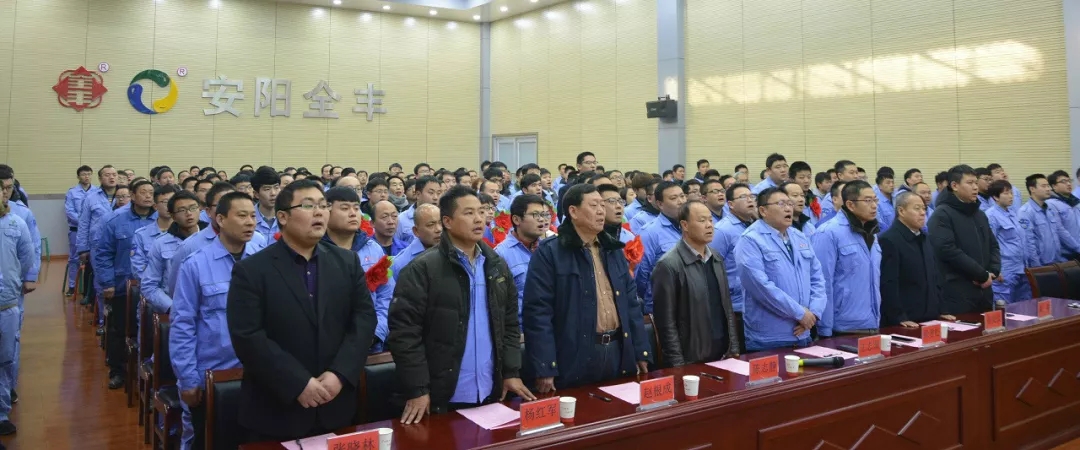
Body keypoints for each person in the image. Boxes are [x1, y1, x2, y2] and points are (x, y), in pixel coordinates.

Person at [227, 179, 377, 441]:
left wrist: (339, 374)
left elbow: (364, 319)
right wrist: (297, 383)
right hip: (276, 410)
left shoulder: (346, 262)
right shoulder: (252, 270)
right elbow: (248, 336)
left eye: (323, 205)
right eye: (308, 206)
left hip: (336, 404)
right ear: (283, 217)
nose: (319, 212)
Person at [388, 185, 534, 423]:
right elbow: (404, 333)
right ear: (447, 221)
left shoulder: (496, 264)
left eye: (481, 212)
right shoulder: (422, 269)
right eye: (468, 213)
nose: (479, 219)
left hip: (490, 390)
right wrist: (418, 388)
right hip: (442, 394)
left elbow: (508, 324)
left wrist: (511, 372)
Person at [524, 183, 650, 392]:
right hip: (574, 355)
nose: (601, 211)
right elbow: (538, 313)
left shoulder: (613, 249)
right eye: (594, 206)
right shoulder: (551, 253)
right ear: (573, 211)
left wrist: (640, 350)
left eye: (602, 205)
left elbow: (631, 304)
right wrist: (545, 366)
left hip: (618, 349)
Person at [171, 192, 262, 450]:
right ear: (220, 219)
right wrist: (188, 380)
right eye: (242, 216)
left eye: (253, 216)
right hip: (212, 375)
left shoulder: (262, 258)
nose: (250, 222)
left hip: (257, 373)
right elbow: (183, 325)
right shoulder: (196, 264)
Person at [734, 187, 826, 351]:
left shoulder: (799, 236)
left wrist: (814, 313)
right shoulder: (750, 240)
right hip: (769, 337)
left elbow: (817, 276)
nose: (788, 208)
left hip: (804, 331)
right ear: (763, 210)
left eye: (789, 203)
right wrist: (800, 314)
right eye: (781, 204)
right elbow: (761, 287)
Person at [652, 201, 741, 366]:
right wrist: (676, 363)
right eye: (702, 221)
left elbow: (727, 307)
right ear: (685, 225)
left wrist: (733, 347)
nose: (709, 225)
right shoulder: (669, 265)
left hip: (722, 352)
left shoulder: (716, 258)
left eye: (710, 220)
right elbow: (666, 323)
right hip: (691, 357)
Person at [95, 179, 157, 389]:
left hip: (153, 287)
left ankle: (147, 373)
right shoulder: (116, 220)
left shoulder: (161, 220)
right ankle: (118, 371)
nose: (148, 196)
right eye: (143, 192)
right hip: (123, 285)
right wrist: (107, 283)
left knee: (150, 332)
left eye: (151, 192)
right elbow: (103, 254)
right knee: (120, 330)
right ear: (132, 195)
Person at [321, 186, 395, 353]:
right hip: (327, 345)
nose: (353, 213)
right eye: (345, 208)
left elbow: (386, 295)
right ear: (326, 211)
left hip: (369, 342)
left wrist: (375, 333)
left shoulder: (373, 249)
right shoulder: (315, 250)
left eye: (356, 208)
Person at [811, 180, 881, 337]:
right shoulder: (828, 232)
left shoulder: (872, 232)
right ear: (850, 205)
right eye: (867, 200)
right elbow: (822, 282)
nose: (874, 206)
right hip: (841, 327)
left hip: (872, 322)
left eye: (875, 200)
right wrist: (824, 329)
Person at [928, 165, 1001, 314]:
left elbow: (993, 244)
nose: (975, 187)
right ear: (955, 186)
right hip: (958, 292)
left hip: (985, 289)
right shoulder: (942, 214)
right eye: (970, 183)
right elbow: (947, 250)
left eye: (976, 182)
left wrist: (992, 271)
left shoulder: (979, 214)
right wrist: (980, 274)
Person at [879, 192, 957, 327]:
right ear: (901, 211)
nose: (922, 213)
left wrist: (942, 309)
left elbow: (935, 277)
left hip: (930, 315)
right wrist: (899, 317)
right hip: (906, 319)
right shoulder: (889, 240)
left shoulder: (925, 238)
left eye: (924, 208)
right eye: (917, 208)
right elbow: (888, 283)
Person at [0, 178, 34, 436]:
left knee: (5, 359)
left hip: (6, 301)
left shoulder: (16, 222)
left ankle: (1, 414)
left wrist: (13, 281)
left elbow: (26, 256)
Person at [141, 191, 206, 314]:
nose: (189, 213)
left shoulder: (214, 239)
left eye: (193, 208)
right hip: (176, 307)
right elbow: (149, 285)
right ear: (173, 216)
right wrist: (173, 307)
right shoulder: (160, 243)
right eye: (182, 210)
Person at [494, 195, 550, 326]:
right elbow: (499, 304)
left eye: (543, 214)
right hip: (521, 330)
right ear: (516, 219)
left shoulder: (548, 249)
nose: (541, 219)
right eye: (535, 215)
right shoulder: (501, 254)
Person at [709, 183, 757, 329]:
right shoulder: (722, 230)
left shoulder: (757, 226)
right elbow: (711, 267)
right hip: (734, 304)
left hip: (755, 301)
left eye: (751, 196)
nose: (749, 200)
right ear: (730, 204)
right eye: (743, 197)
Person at [635, 181, 687, 313]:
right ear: (660, 204)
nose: (681, 201)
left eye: (682, 196)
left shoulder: (691, 226)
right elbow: (641, 275)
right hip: (661, 306)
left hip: (689, 303)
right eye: (673, 198)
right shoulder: (649, 232)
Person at [988, 179, 1036, 303]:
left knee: (1024, 306)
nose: (1011, 196)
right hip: (1005, 269)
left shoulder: (1013, 213)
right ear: (995, 197)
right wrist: (995, 269)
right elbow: (988, 244)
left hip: (1022, 267)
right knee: (1004, 307)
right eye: (1006, 193)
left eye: (1011, 193)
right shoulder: (991, 216)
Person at [390, 204, 442, 281]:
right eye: (431, 225)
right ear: (416, 231)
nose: (439, 229)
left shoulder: (454, 252)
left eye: (441, 223)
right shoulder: (401, 264)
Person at [65, 165, 94, 296]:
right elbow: (69, 211)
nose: (86, 177)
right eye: (83, 174)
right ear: (78, 177)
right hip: (76, 230)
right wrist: (84, 222)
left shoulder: (97, 191)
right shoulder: (72, 192)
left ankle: (90, 289)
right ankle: (72, 286)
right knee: (74, 259)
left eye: (88, 174)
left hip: (92, 232)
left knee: (94, 259)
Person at [396, 176, 441, 245]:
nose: (436, 197)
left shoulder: (444, 216)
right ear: (418, 194)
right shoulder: (401, 220)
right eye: (431, 193)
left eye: (438, 193)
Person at [251, 166, 281, 240]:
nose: (273, 193)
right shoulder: (248, 218)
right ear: (256, 194)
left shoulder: (288, 218)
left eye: (276, 187)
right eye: (267, 189)